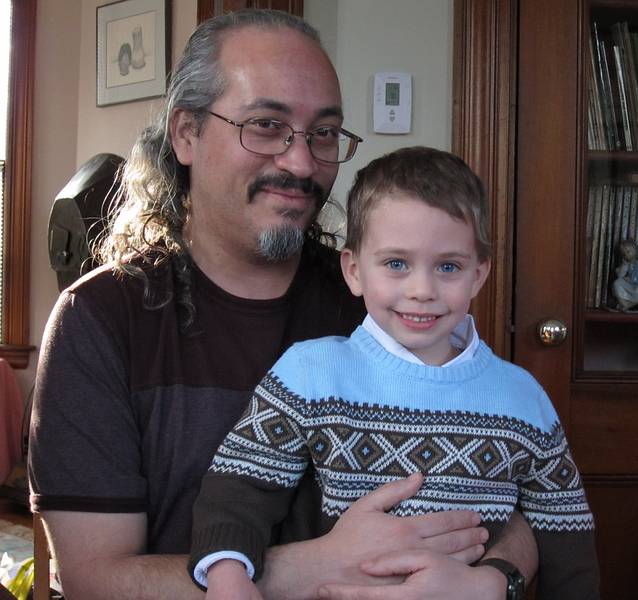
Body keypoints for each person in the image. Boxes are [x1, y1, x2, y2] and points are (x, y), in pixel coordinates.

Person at [28, 9, 536, 599]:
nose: (302, 163)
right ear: (186, 134)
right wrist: (320, 565)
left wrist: (496, 581)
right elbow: (96, 580)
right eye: (266, 125)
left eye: (323, 133)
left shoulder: (383, 305)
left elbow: (527, 496)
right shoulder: (100, 320)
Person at [189, 147, 601, 600]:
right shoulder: (310, 373)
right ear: (354, 270)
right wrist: (228, 577)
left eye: (448, 267)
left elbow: (567, 536)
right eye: (396, 264)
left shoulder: (523, 399)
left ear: (478, 275)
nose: (422, 290)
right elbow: (237, 488)